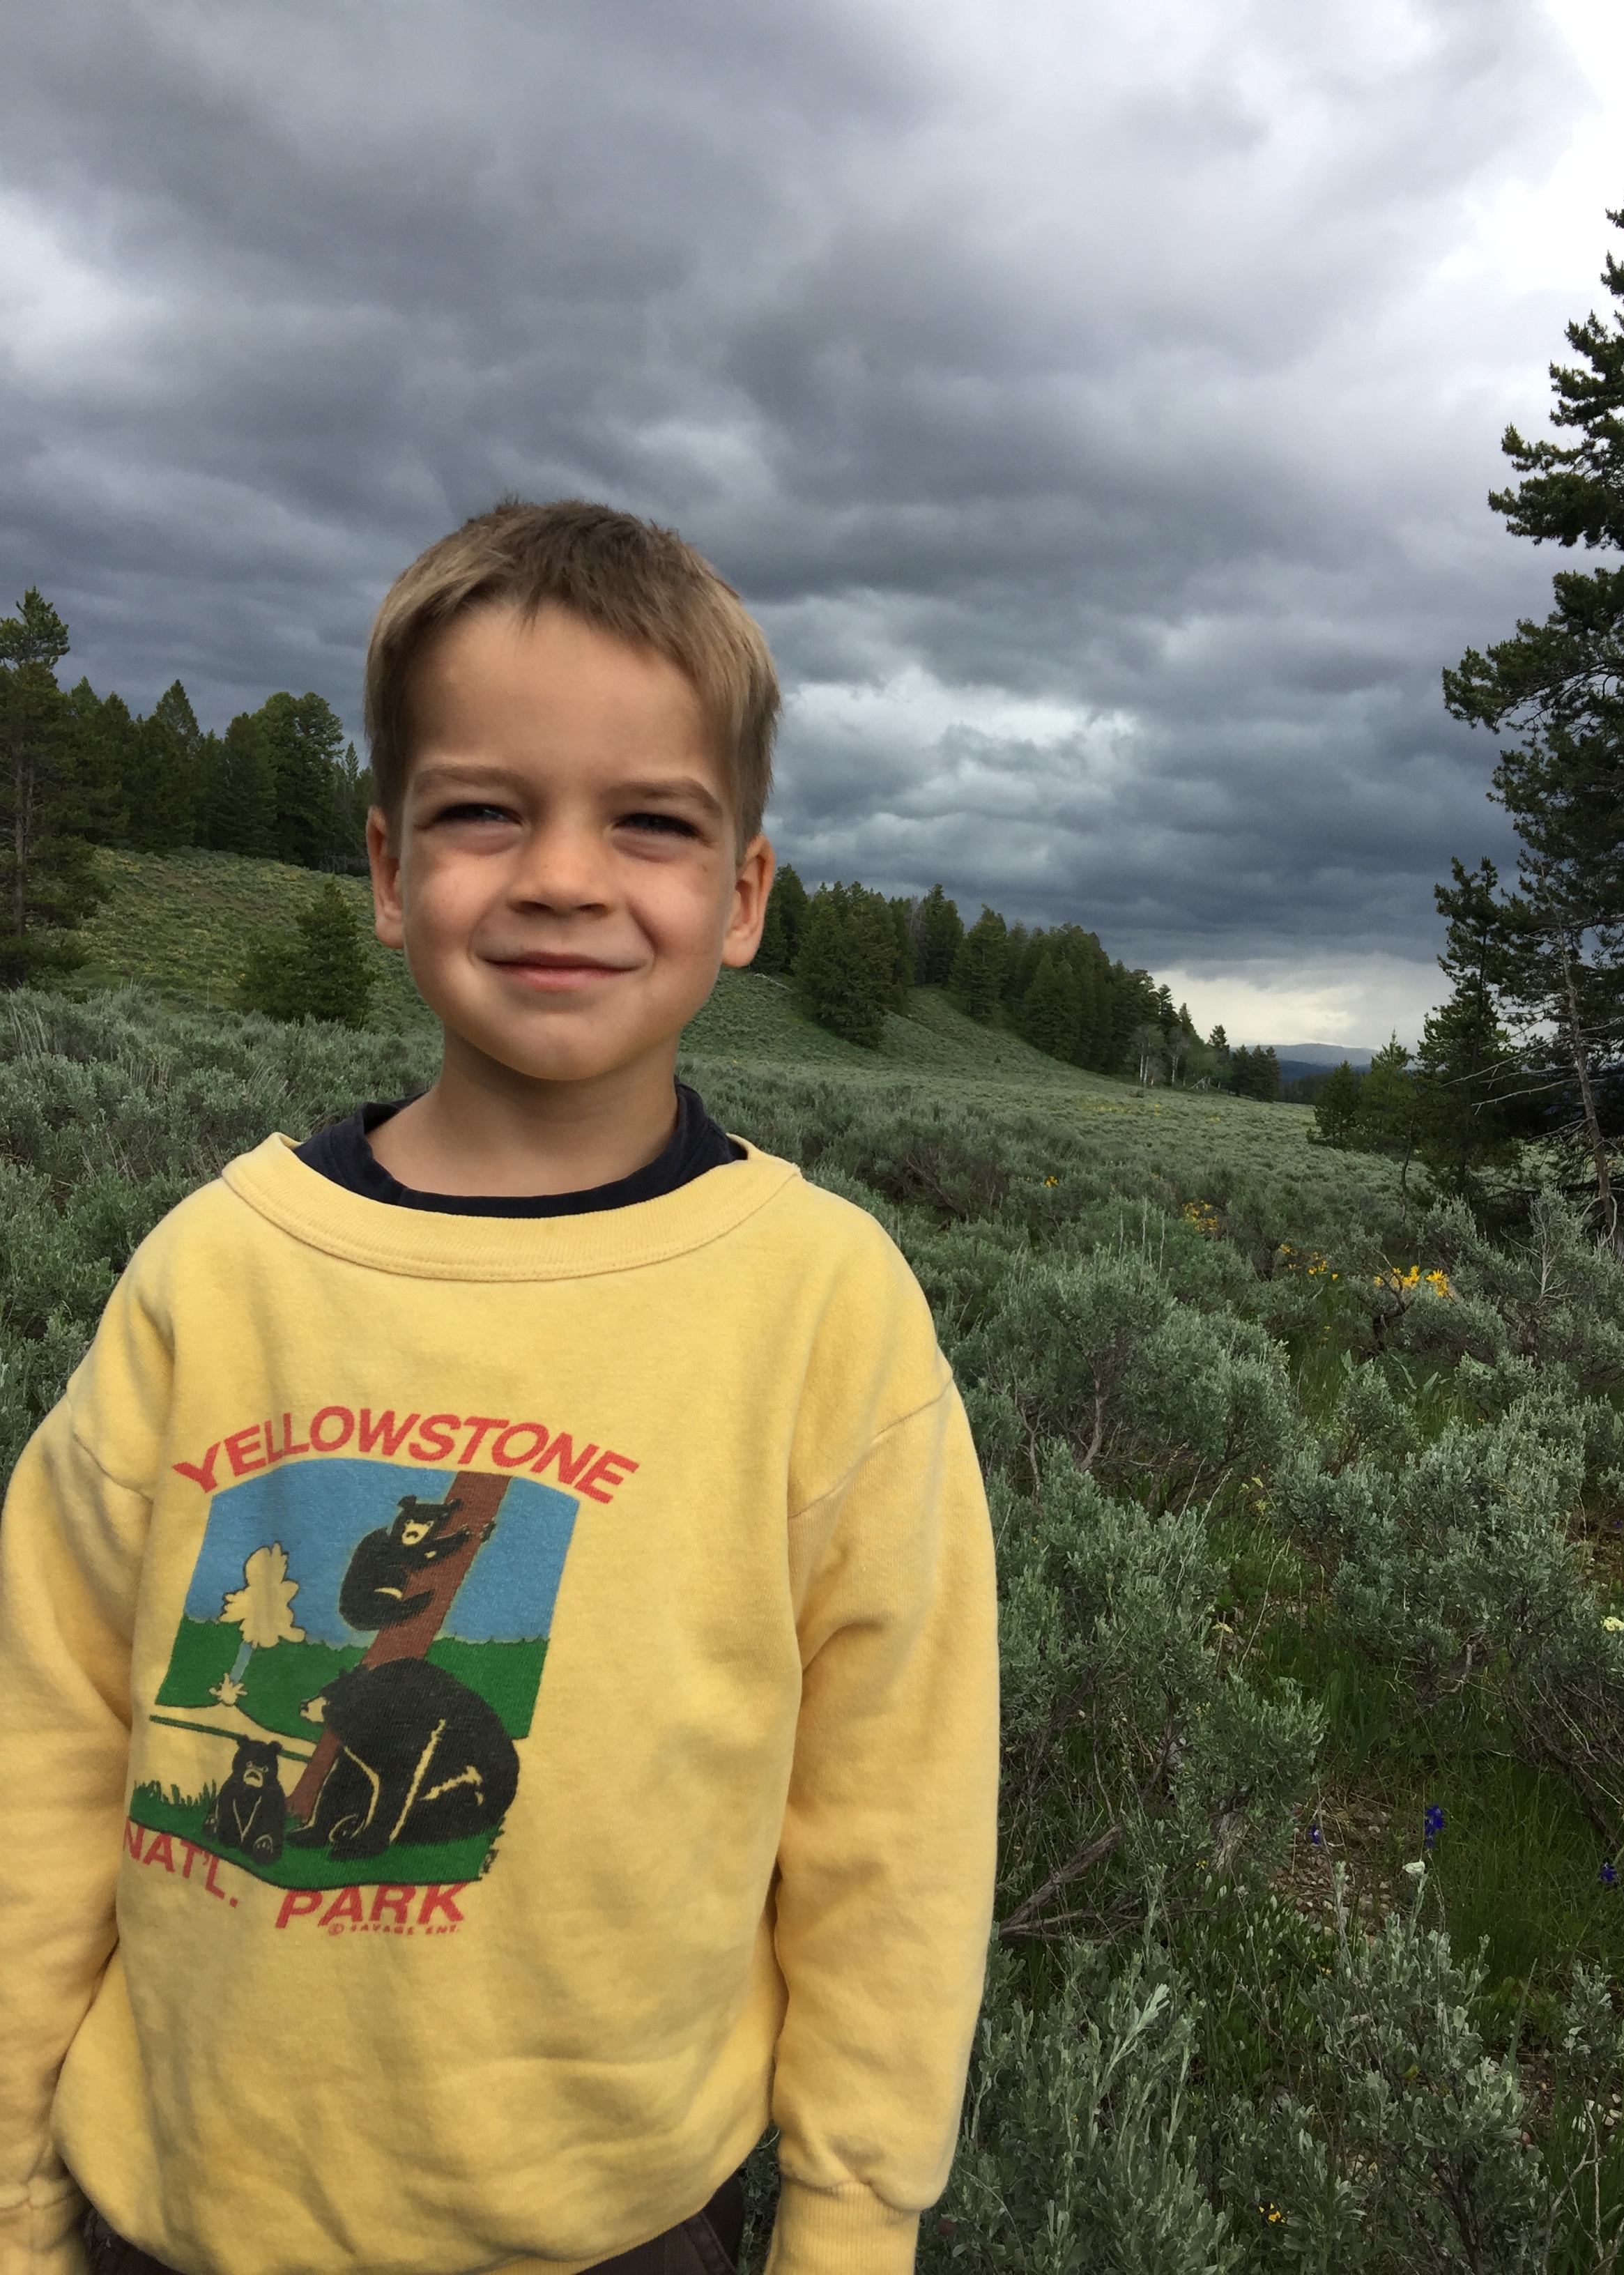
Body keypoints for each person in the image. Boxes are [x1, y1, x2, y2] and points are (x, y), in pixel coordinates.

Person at [0, 502, 999, 2275]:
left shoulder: (824, 1307)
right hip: (176, 2208)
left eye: (652, 823)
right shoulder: (213, 1273)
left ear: (745, 895)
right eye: (483, 810)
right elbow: (43, 1746)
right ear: (386, 870)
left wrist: (849, 2219)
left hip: (614, 2229)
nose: (560, 875)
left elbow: (895, 1827)